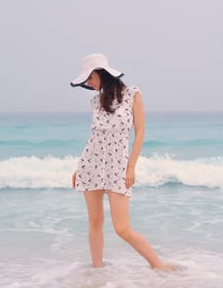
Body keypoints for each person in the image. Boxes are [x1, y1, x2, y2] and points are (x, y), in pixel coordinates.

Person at [71, 53, 173, 271]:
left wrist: (131, 166)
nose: (88, 84)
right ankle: (97, 271)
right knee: (95, 221)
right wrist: (79, 167)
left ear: (100, 73)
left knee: (122, 228)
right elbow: (95, 137)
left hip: (118, 167)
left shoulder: (132, 94)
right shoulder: (96, 102)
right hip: (91, 165)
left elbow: (140, 131)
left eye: (89, 78)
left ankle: (158, 265)